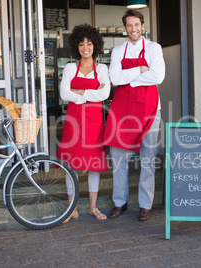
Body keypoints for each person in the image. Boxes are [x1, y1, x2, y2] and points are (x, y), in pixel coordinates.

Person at [104, 10, 165, 221]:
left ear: (142, 25)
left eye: (136, 24)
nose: (133, 29)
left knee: (148, 159)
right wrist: (139, 69)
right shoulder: (118, 50)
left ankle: (145, 205)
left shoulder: (153, 48)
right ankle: (119, 202)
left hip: (149, 110)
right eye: (129, 25)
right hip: (122, 110)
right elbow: (114, 77)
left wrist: (128, 78)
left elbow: (158, 76)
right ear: (125, 29)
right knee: (119, 158)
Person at [57, 24, 110, 222]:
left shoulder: (102, 68)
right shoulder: (70, 67)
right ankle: (72, 208)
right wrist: (90, 95)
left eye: (89, 43)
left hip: (95, 121)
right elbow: (64, 94)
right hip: (74, 120)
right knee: (72, 164)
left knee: (93, 165)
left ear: (95, 45)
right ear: (76, 46)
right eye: (81, 44)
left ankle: (92, 207)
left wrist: (78, 93)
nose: (85, 47)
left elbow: (104, 94)